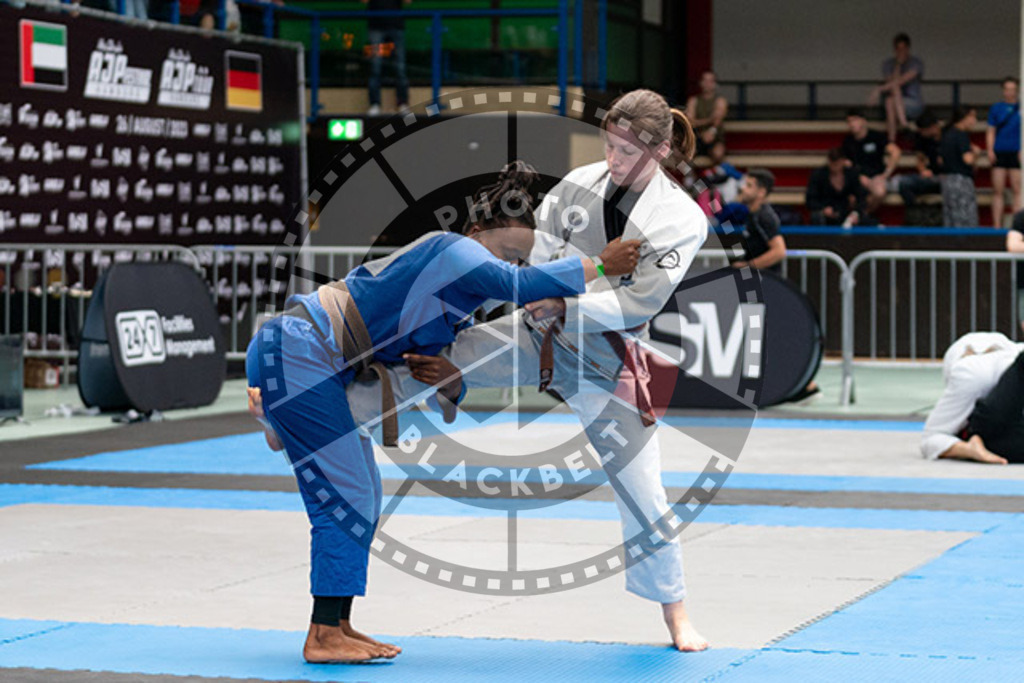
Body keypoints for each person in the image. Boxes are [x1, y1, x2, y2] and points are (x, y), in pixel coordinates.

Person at [246, 162, 642, 664]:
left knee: (364, 490)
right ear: (476, 232)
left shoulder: (455, 305)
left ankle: (338, 622)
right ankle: (322, 634)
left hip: (309, 367)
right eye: (507, 252)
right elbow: (517, 287)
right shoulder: (449, 248)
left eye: (520, 258)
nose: (511, 266)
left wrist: (451, 379)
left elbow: (417, 372)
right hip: (296, 350)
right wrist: (601, 266)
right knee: (347, 490)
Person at [397, 90, 711, 651]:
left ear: (661, 151)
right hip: (540, 335)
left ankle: (677, 615)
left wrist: (567, 303)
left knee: (643, 492)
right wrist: (505, 247)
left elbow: (641, 302)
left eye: (628, 151)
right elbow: (543, 253)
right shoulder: (581, 184)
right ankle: (325, 405)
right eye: (610, 145)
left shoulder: (681, 218)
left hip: (608, 359)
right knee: (433, 358)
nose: (614, 160)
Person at [921, 332, 1022, 464]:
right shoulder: (973, 375)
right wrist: (968, 449)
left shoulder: (974, 373)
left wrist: (967, 449)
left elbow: (931, 438)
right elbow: (931, 439)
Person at [717, 169, 785, 272]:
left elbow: (779, 251)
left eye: (749, 186)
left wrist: (748, 265)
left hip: (766, 279)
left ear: (761, 192)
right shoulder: (751, 213)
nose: (743, 188)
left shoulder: (764, 216)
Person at [842, 109, 901, 217]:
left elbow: (896, 152)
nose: (852, 124)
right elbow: (846, 164)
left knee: (879, 192)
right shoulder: (848, 141)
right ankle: (859, 216)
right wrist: (858, 177)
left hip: (876, 176)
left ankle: (863, 215)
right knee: (850, 198)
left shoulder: (876, 136)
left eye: (855, 120)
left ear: (863, 121)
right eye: (849, 121)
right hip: (858, 178)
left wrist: (885, 174)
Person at [868, 33, 925, 143]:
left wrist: (878, 89)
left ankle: (894, 135)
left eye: (903, 49)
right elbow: (892, 83)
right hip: (894, 104)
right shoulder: (888, 64)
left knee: (894, 92)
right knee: (890, 100)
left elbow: (901, 81)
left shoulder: (916, 63)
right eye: (898, 49)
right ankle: (897, 135)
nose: (901, 52)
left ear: (908, 49)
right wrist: (898, 65)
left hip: (913, 104)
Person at [363, 0, 410, 115]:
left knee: (400, 67)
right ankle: (374, 104)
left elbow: (408, 1)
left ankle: (402, 103)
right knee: (375, 67)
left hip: (396, 25)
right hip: (375, 26)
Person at [987, 77, 1022, 228]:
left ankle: (1018, 225)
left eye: (1013, 89)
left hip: (1016, 152)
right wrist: (990, 149)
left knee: (1017, 189)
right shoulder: (996, 108)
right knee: (998, 190)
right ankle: (996, 225)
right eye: (1007, 89)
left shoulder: (1021, 108)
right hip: (1000, 151)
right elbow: (991, 131)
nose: (1010, 93)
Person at [938, 106, 981, 227]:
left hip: (947, 181)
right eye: (972, 117)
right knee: (965, 217)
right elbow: (968, 159)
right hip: (961, 181)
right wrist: (976, 154)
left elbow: (940, 160)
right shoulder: (961, 135)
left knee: (950, 217)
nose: (974, 121)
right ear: (964, 118)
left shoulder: (947, 134)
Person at [892, 110, 943, 209]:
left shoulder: (949, 137)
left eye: (923, 130)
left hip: (948, 178)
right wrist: (923, 170)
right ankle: (915, 212)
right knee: (904, 184)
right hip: (932, 177)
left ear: (933, 127)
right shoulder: (923, 139)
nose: (921, 133)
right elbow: (920, 159)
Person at [806, 148, 865, 226]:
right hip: (827, 212)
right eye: (832, 163)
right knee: (817, 217)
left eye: (837, 163)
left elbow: (861, 197)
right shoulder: (819, 175)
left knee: (865, 219)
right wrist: (823, 209)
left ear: (843, 161)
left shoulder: (852, 175)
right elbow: (810, 199)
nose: (834, 166)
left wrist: (856, 212)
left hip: (846, 211)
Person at [685, 70, 728, 157]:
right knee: (683, 154)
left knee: (718, 153)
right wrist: (710, 119)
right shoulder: (693, 100)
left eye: (710, 81)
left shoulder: (720, 101)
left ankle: (714, 171)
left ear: (715, 84)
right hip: (696, 137)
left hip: (715, 137)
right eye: (705, 80)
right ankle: (689, 171)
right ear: (700, 83)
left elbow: (717, 120)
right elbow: (690, 122)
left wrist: (711, 130)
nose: (707, 84)